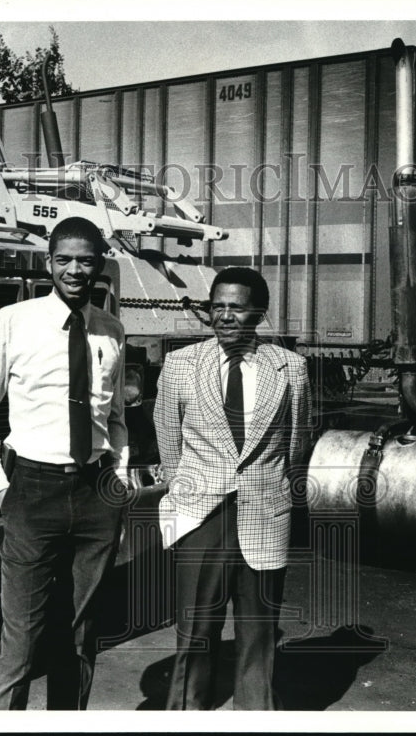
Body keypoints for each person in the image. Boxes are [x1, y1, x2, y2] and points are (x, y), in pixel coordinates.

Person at [0, 217, 128, 710]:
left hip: (96, 494)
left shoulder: (112, 331)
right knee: (21, 639)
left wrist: (116, 481)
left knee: (80, 634)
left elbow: (114, 418)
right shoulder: (13, 322)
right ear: (49, 262)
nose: (75, 270)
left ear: (99, 265)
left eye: (86, 261)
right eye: (64, 260)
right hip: (31, 491)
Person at [153, 266, 312, 710]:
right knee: (195, 629)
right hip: (201, 514)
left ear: (259, 314)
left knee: (258, 630)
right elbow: (167, 438)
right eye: (216, 306)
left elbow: (297, 444)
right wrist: (186, 490)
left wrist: (273, 489)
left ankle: (254, 712)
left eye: (236, 307)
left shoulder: (291, 368)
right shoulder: (181, 364)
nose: (224, 316)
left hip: (265, 512)